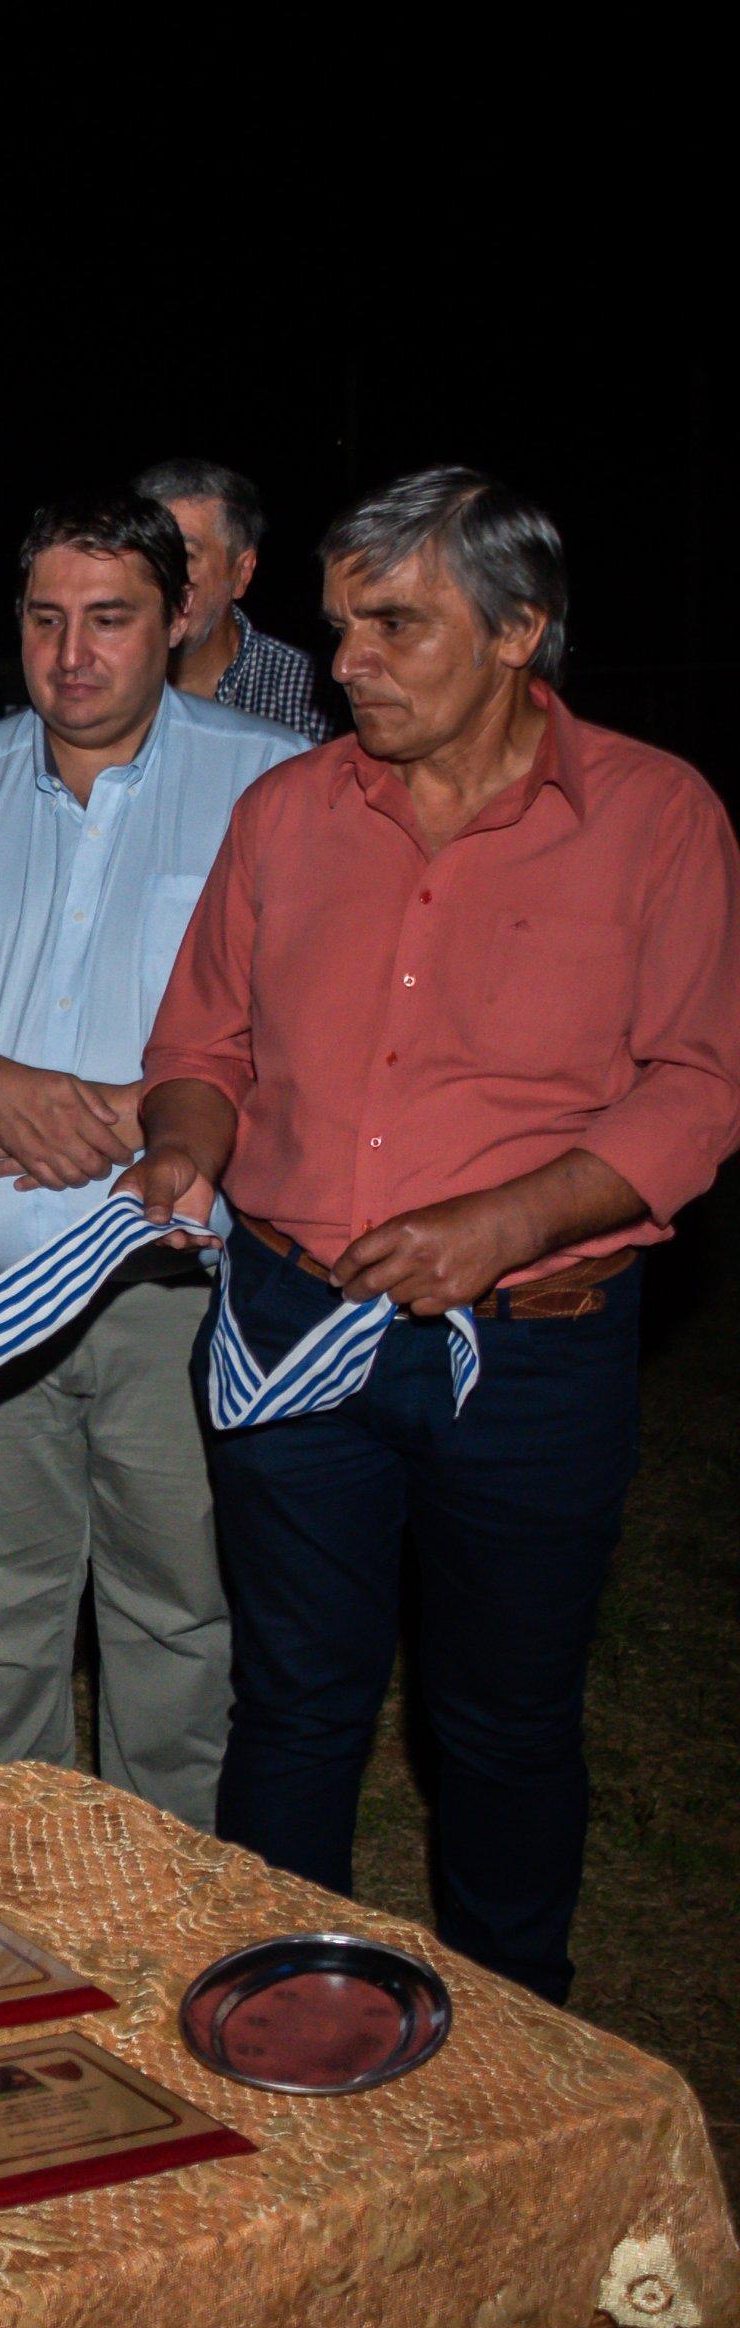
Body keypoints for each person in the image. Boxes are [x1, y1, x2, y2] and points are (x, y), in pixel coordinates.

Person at [126, 470, 740, 2005]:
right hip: (285, 1326)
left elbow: (697, 1089)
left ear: (522, 629)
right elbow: (201, 1041)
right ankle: (280, 2007)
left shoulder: (658, 817)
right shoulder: (288, 811)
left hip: (529, 1357)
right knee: (297, 1701)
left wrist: (506, 1221)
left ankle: (517, 2025)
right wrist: (184, 1155)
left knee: (506, 1720)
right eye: (341, 626)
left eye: (397, 623)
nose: (349, 660)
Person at [0, 496, 306, 1823]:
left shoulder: (277, 786)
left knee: (178, 1619)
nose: (71, 654)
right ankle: (7, 1922)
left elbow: (323, 1023)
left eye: (109, 618)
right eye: (44, 618)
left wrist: (160, 1102)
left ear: (182, 617)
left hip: (178, 1293)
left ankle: (160, 1926)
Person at [137, 458, 335, 739]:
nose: (163, 575)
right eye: (149, 555)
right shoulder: (96, 680)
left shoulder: (309, 701)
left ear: (241, 573)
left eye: (186, 556)